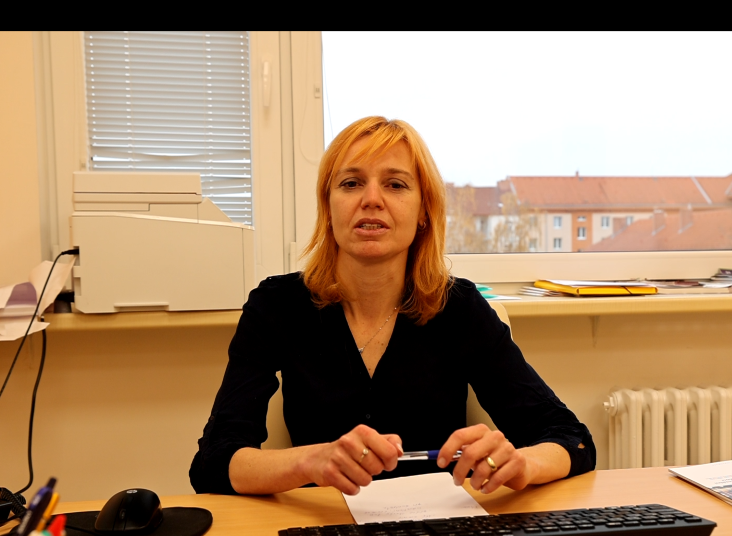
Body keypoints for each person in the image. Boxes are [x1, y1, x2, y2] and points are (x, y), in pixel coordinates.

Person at [189, 116, 595, 497]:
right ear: (328, 208)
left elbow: (571, 439)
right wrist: (309, 462)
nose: (371, 200)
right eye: (351, 183)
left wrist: (522, 464)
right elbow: (213, 463)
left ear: (423, 212)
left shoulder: (460, 309)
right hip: (323, 526)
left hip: (438, 529)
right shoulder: (276, 306)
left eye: (396, 185)